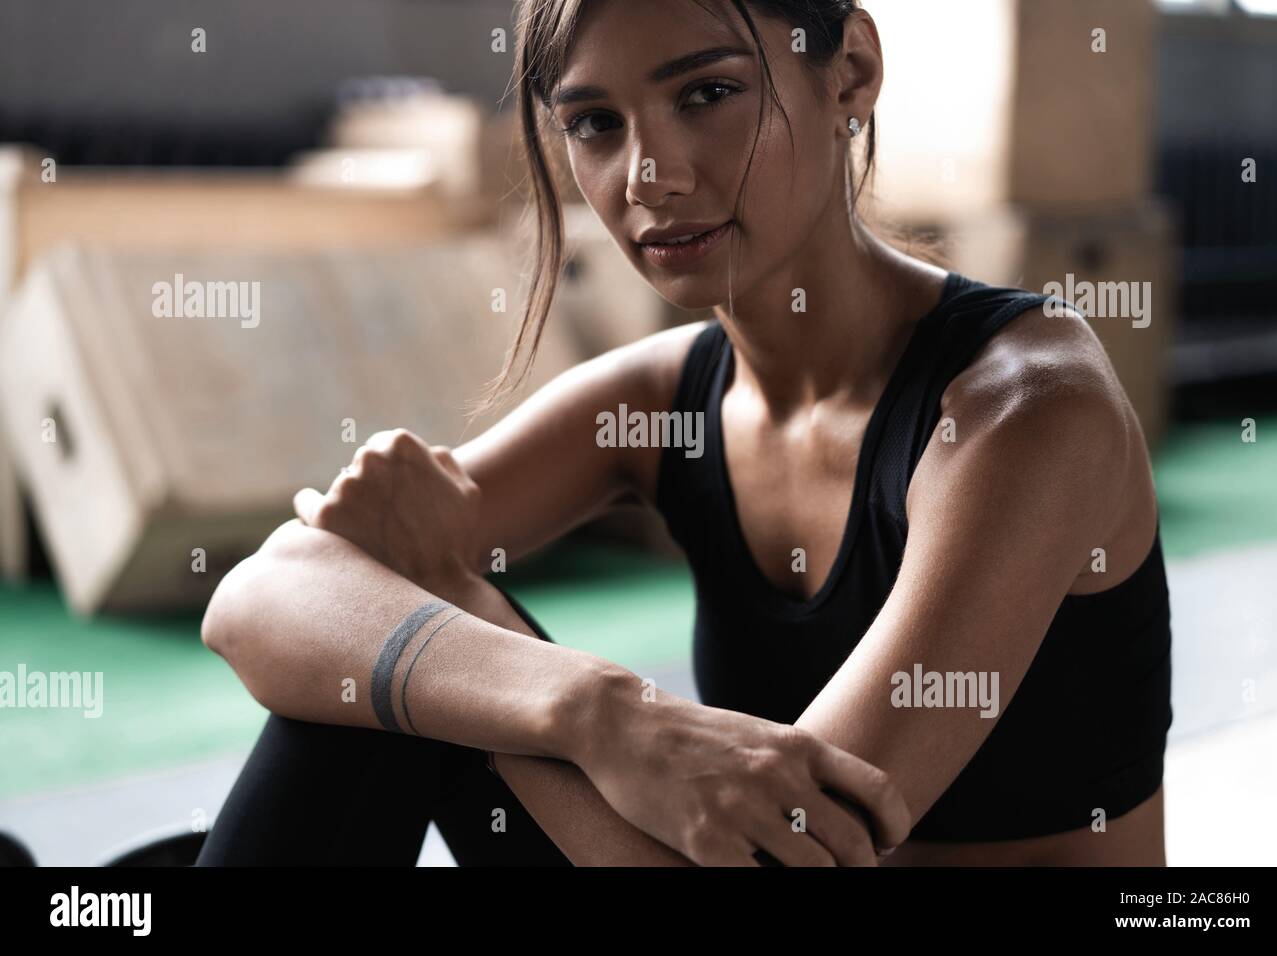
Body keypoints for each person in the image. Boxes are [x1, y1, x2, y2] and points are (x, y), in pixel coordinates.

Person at [196, 0, 1172, 867]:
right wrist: (600, 715)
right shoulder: (662, 399)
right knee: (379, 675)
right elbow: (261, 595)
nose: (649, 176)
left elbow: (800, 845)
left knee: (418, 635)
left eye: (706, 93)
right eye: (593, 123)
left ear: (850, 75)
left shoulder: (1026, 404)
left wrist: (463, 624)